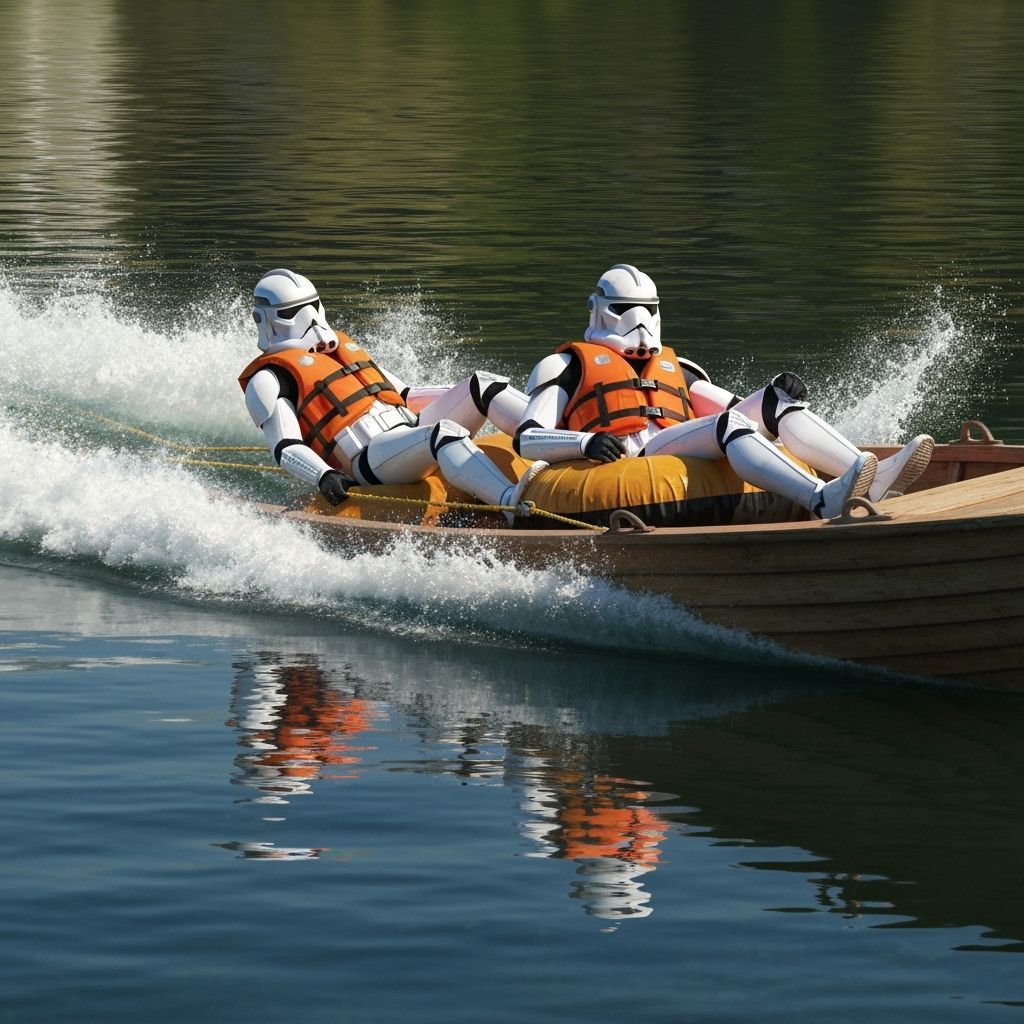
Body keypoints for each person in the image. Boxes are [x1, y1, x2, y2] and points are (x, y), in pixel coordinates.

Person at [513, 264, 934, 519]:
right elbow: (528, 437)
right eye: (624, 309)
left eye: (648, 310)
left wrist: (775, 392)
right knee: (729, 425)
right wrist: (585, 442)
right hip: (631, 457)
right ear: (600, 310)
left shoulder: (678, 367)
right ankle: (820, 499)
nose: (638, 321)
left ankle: (870, 477)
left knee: (777, 402)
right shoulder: (568, 366)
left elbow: (736, 408)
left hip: (675, 442)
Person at [239, 269, 543, 523]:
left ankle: (552, 437)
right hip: (367, 458)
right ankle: (510, 504)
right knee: (443, 433)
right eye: (292, 313)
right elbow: (285, 446)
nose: (311, 320)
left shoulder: (342, 351)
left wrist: (461, 393)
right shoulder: (270, 378)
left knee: (484, 384)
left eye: (313, 306)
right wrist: (323, 475)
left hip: (407, 429)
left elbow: (407, 395)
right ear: (266, 320)